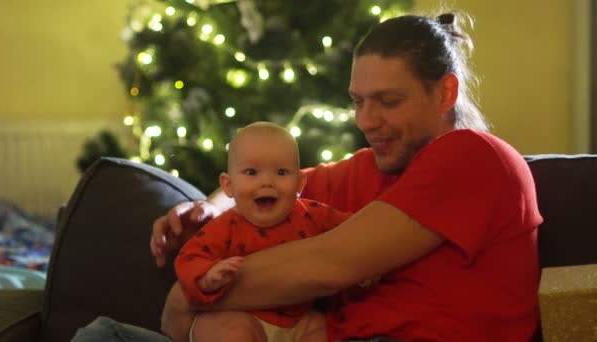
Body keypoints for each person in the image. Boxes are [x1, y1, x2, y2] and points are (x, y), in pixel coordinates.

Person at [75, 10, 541, 342]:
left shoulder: (474, 157)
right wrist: (206, 207)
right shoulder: (369, 170)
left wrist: (187, 294)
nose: (366, 121)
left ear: (445, 92)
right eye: (359, 101)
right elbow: (277, 184)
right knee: (103, 334)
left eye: (388, 101)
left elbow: (328, 265)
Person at [174, 121, 351, 342]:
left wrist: (368, 263)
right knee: (226, 329)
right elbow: (189, 257)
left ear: (299, 183)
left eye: (281, 172)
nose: (267, 182)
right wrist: (207, 277)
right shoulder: (225, 227)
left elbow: (354, 230)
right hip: (241, 315)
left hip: (299, 317)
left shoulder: (313, 214)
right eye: (251, 172)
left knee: (319, 327)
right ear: (228, 185)